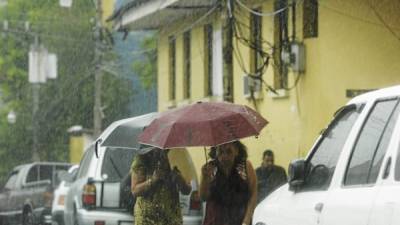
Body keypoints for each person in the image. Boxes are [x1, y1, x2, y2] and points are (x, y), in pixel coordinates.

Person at [200, 141, 257, 225]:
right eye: (221, 152)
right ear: (216, 152)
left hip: (239, 220)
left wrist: (246, 221)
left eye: (229, 151)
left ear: (236, 151)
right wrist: (205, 179)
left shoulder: (245, 167)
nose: (224, 156)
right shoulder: (210, 168)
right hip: (215, 221)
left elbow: (253, 196)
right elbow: (203, 197)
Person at [130, 148, 191, 225]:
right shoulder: (143, 157)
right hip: (147, 219)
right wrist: (153, 180)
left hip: (172, 219)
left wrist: (179, 178)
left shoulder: (179, 156)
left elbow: (187, 190)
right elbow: (135, 191)